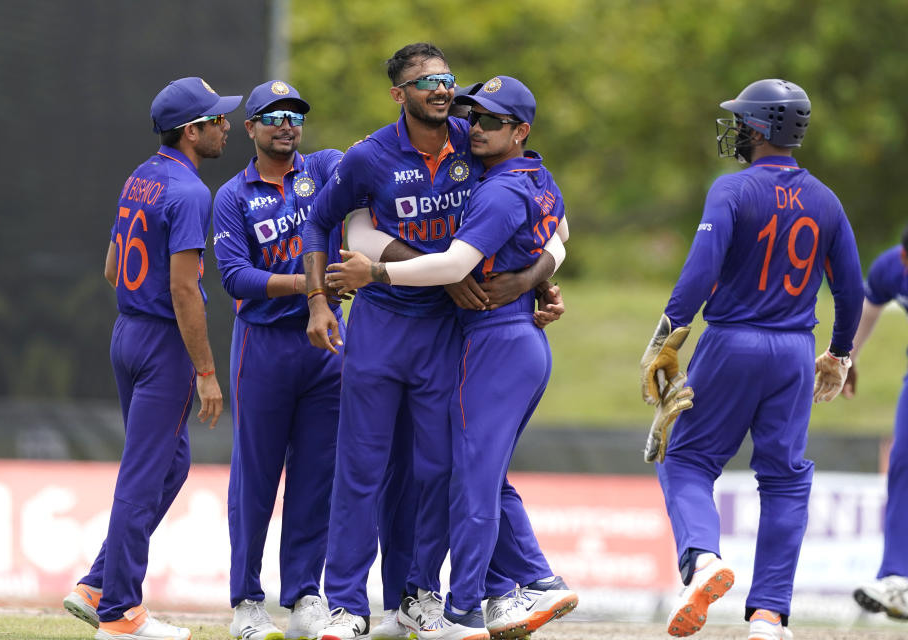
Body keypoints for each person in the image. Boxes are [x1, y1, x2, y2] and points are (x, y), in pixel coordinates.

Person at [302, 45, 563, 640]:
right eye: (427, 83)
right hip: (381, 325)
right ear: (399, 94)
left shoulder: (477, 144)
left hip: (450, 334)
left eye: (447, 80)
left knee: (437, 469)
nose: (443, 91)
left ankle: (419, 597)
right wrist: (318, 300)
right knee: (360, 469)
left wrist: (537, 279)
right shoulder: (369, 156)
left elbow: (547, 220)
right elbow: (328, 221)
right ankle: (344, 604)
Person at [639, 79, 864, 640]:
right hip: (794, 352)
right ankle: (768, 616)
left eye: (743, 121)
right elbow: (852, 289)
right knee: (785, 480)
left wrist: (667, 336)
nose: (736, 130)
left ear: (759, 128)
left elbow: (700, 268)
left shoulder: (732, 190)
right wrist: (838, 354)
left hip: (732, 342)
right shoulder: (827, 199)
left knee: (687, 461)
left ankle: (703, 561)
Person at [62, 77, 238, 640]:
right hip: (164, 344)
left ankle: (96, 585)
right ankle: (119, 614)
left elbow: (114, 267)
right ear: (192, 131)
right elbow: (186, 291)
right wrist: (207, 372)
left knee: (171, 465)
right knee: (143, 476)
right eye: (216, 119)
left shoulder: (142, 175)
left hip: (127, 332)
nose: (225, 126)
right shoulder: (191, 193)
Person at [212, 80, 345, 640]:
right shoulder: (233, 196)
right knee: (255, 476)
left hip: (326, 350)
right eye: (272, 115)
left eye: (294, 113)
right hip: (264, 348)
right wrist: (310, 284)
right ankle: (246, 599)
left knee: (317, 475)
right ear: (250, 128)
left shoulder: (328, 168)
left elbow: (379, 166)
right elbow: (234, 278)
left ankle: (306, 596)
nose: (285, 123)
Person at [843, 224, 908, 622]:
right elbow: (871, 303)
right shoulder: (892, 267)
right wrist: (846, 356)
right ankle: (898, 579)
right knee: (903, 462)